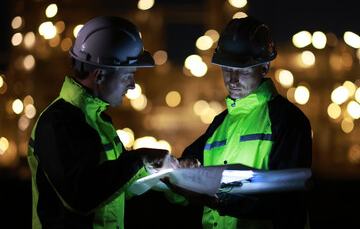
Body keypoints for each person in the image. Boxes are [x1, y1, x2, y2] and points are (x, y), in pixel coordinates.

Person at [162, 16, 312, 228]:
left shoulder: (287, 121)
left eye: (242, 71)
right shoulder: (219, 124)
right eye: (226, 69)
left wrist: (218, 200)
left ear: (264, 67)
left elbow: (287, 201)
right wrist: (184, 168)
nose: (232, 80)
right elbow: (189, 162)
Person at [27, 16, 169, 229]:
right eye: (127, 75)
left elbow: (113, 182)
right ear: (100, 75)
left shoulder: (99, 120)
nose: (131, 85)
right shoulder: (57, 123)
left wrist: (168, 172)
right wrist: (138, 158)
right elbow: (81, 196)